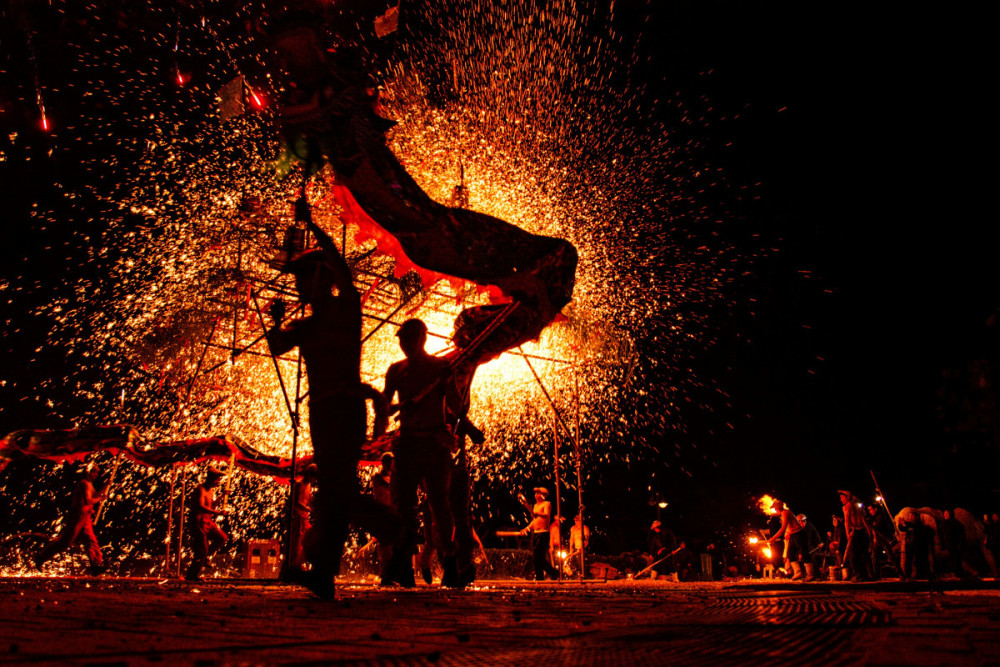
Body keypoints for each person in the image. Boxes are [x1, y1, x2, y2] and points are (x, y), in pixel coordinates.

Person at [267, 201, 401, 598]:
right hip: (321, 412)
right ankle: (376, 532)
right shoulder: (306, 326)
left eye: (304, 281)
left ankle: (341, 560)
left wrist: (314, 229)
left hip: (344, 408)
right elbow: (276, 346)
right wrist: (275, 320)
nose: (298, 288)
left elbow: (342, 265)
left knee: (335, 490)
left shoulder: (346, 312)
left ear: (322, 281)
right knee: (335, 489)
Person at [383, 318, 460, 587]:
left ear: (422, 339)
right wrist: (376, 432)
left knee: (439, 505)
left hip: (434, 444)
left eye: (409, 340)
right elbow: (384, 406)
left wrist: (450, 382)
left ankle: (450, 564)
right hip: (406, 446)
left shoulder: (441, 368)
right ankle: (403, 565)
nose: (405, 346)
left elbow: (456, 406)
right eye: (402, 341)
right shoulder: (395, 371)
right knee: (401, 506)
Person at [35, 467, 107, 575]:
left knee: (90, 540)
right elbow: (88, 500)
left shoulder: (89, 484)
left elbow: (94, 496)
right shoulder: (84, 484)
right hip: (78, 515)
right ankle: (41, 557)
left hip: (85, 515)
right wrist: (100, 499)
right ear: (89, 472)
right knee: (66, 541)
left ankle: (96, 565)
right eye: (95, 472)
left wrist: (105, 488)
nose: (97, 474)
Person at [185, 467, 230, 581]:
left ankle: (205, 557)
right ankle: (191, 575)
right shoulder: (200, 489)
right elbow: (200, 506)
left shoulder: (210, 491)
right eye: (217, 479)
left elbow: (211, 506)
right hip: (198, 522)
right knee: (201, 550)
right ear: (211, 478)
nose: (219, 481)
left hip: (208, 521)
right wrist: (218, 512)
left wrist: (222, 496)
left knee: (222, 538)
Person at [519, 487, 559, 580]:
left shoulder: (547, 504)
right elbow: (534, 521)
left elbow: (546, 514)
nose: (536, 495)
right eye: (535, 493)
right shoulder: (535, 506)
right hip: (536, 534)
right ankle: (544, 576)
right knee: (537, 558)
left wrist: (537, 513)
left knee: (538, 557)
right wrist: (526, 529)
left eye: (538, 493)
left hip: (543, 533)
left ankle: (548, 575)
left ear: (544, 495)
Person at [767, 499, 808, 581]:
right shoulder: (782, 514)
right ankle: (798, 572)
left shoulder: (786, 512)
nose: (775, 510)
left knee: (804, 554)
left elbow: (783, 528)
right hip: (792, 535)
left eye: (775, 508)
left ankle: (810, 574)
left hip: (798, 534)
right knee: (790, 554)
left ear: (779, 508)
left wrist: (773, 538)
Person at [839, 490, 873, 581]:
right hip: (862, 530)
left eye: (842, 497)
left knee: (854, 555)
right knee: (864, 554)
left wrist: (847, 533)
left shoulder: (847, 506)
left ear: (847, 497)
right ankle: (868, 575)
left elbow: (847, 521)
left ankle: (859, 575)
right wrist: (868, 530)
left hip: (856, 531)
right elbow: (863, 519)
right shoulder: (857, 506)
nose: (841, 499)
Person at [290, 464, 318, 571]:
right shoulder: (298, 484)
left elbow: (309, 500)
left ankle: (299, 564)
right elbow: (296, 502)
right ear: (310, 475)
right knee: (296, 544)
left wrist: (315, 507)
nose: (315, 480)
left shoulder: (308, 486)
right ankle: (293, 566)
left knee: (309, 540)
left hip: (304, 518)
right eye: (314, 477)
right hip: (297, 518)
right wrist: (310, 510)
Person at [940, 508, 967, 579]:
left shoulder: (956, 524)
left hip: (956, 546)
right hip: (948, 546)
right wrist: (943, 545)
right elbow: (942, 536)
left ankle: (959, 574)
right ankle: (955, 573)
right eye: (944, 514)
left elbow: (961, 535)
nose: (945, 515)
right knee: (952, 560)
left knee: (957, 561)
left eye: (947, 514)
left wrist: (960, 545)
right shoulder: (944, 524)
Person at [797, 513, 824, 580]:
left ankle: (817, 576)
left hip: (810, 546)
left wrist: (820, 542)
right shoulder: (797, 528)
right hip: (801, 547)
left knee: (812, 560)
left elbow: (816, 534)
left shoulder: (809, 526)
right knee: (802, 561)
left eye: (803, 521)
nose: (801, 523)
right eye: (799, 521)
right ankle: (804, 575)